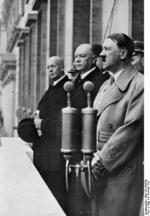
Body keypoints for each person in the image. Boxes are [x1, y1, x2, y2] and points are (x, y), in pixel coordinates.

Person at [91, 33, 144, 216]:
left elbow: (132, 129)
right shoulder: (106, 84)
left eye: (107, 49)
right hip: (99, 166)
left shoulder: (141, 85)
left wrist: (102, 162)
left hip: (119, 169)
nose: (101, 55)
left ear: (122, 54)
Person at [18, 56, 70, 214]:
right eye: (48, 67)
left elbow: (62, 117)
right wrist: (38, 114)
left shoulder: (65, 87)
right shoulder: (54, 86)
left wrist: (42, 121)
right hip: (45, 146)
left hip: (53, 149)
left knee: (53, 190)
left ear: (62, 68)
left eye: (54, 66)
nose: (50, 70)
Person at [66, 43, 109, 216]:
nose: (77, 59)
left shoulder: (97, 80)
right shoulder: (80, 80)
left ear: (93, 60)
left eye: (82, 56)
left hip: (85, 145)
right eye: (76, 55)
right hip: (75, 144)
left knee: (83, 199)